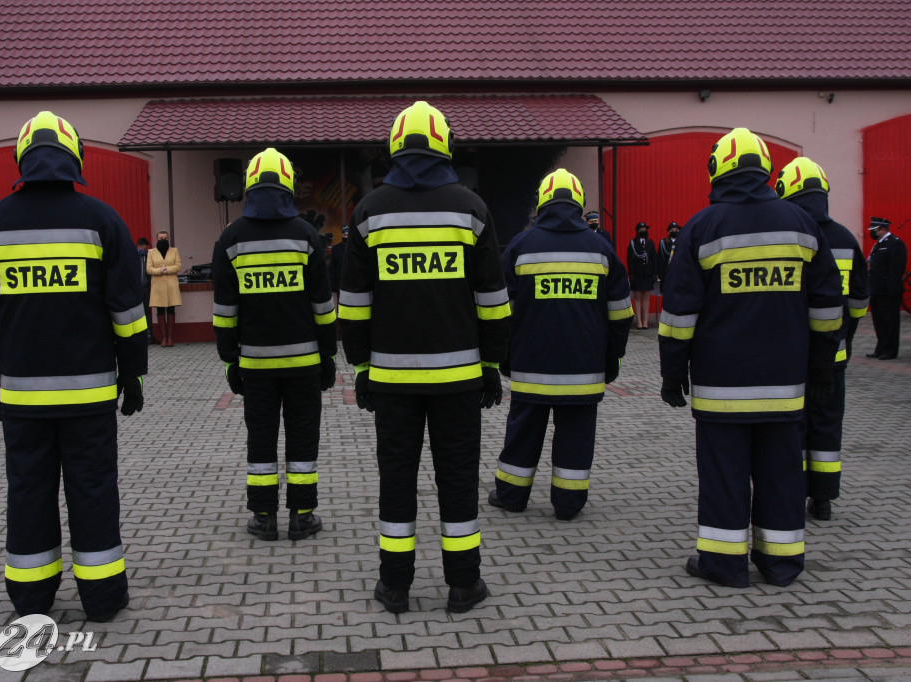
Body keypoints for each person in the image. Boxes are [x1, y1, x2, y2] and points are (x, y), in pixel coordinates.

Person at [0, 110, 147, 621]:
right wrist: (132, 374)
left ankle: (31, 599)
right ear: (75, 158)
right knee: (92, 490)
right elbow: (128, 314)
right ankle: (103, 597)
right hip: (89, 395)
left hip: (22, 397)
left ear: (23, 158)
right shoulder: (102, 220)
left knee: (28, 491)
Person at [339, 100, 510, 614]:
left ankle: (394, 586)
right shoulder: (471, 208)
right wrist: (491, 365)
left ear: (395, 147)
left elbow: (354, 303)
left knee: (397, 480)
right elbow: (493, 300)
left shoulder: (370, 211)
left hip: (392, 381)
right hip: (459, 381)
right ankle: (463, 585)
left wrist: (362, 367)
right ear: (444, 146)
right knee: (457, 478)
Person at [659, 127, 842, 589]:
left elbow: (680, 311)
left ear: (718, 169)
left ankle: (723, 565)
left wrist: (671, 371)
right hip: (785, 384)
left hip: (722, 386)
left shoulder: (702, 227)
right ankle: (781, 565)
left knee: (725, 477)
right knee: (782, 474)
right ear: (765, 170)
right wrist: (822, 365)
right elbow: (826, 306)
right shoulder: (801, 225)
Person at [488, 169, 631, 521]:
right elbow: (621, 312)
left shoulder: (521, 247)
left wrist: (502, 355)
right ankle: (568, 504)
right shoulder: (602, 250)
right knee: (576, 438)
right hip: (584, 368)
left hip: (531, 366)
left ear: (542, 204)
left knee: (522, 433)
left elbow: (498, 310)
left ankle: (511, 496)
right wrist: (612, 357)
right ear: (579, 204)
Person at [212, 147, 337, 543]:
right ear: (287, 185)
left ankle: (264, 517)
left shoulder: (230, 238)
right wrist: (328, 355)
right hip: (304, 364)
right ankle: (302, 516)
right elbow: (322, 304)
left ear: (249, 186)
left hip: (255, 365)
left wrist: (230, 359)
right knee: (303, 436)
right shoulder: (306, 236)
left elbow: (224, 310)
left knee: (261, 437)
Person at [775, 157, 868, 522]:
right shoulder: (845, 238)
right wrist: (845, 334)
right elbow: (860, 298)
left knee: (795, 425)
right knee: (827, 423)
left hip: (794, 354)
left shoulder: (790, 236)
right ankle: (824, 499)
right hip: (835, 355)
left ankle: (793, 494)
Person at [865, 217, 907, 360]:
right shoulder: (878, 245)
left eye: (874, 230)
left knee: (890, 321)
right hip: (876, 290)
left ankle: (890, 350)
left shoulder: (895, 244)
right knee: (879, 321)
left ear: (882, 229)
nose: (872, 232)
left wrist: (892, 289)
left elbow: (896, 269)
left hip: (888, 291)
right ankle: (881, 348)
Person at [147, 230, 181, 347]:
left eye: (165, 238)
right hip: (158, 287)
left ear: (168, 239)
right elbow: (149, 269)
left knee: (171, 311)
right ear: (156, 239)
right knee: (160, 312)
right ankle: (163, 338)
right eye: (161, 238)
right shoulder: (151, 252)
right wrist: (159, 271)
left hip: (171, 286)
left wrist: (168, 269)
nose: (163, 240)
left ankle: (170, 337)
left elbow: (178, 266)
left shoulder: (174, 251)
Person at [627, 222, 657, 329]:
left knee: (646, 298)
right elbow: (630, 260)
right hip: (637, 274)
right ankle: (639, 321)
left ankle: (645, 321)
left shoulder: (650, 243)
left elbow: (654, 258)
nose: (643, 231)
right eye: (641, 229)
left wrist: (654, 273)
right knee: (637, 298)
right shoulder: (633, 243)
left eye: (645, 229)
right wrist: (631, 275)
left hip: (647, 274)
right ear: (637, 231)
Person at [137, 237, 158, 345]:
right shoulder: (133, 256)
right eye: (144, 248)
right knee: (137, 312)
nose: (145, 250)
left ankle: (149, 335)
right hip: (135, 288)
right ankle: (140, 336)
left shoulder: (147, 256)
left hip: (145, 287)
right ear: (139, 246)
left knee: (147, 311)